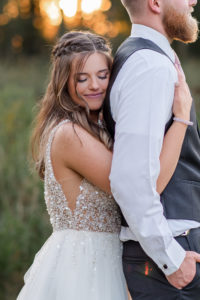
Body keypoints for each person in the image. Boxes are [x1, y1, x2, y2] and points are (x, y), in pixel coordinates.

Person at [17, 31, 192, 300]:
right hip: (83, 267)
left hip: (110, 260)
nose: (94, 85)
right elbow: (147, 187)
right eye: (81, 78)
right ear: (64, 82)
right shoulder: (69, 135)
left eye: (102, 75)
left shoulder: (96, 129)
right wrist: (181, 120)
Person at [103, 0, 200, 299]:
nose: (193, 1)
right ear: (155, 2)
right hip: (170, 260)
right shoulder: (149, 66)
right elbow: (130, 180)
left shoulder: (146, 57)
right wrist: (171, 260)